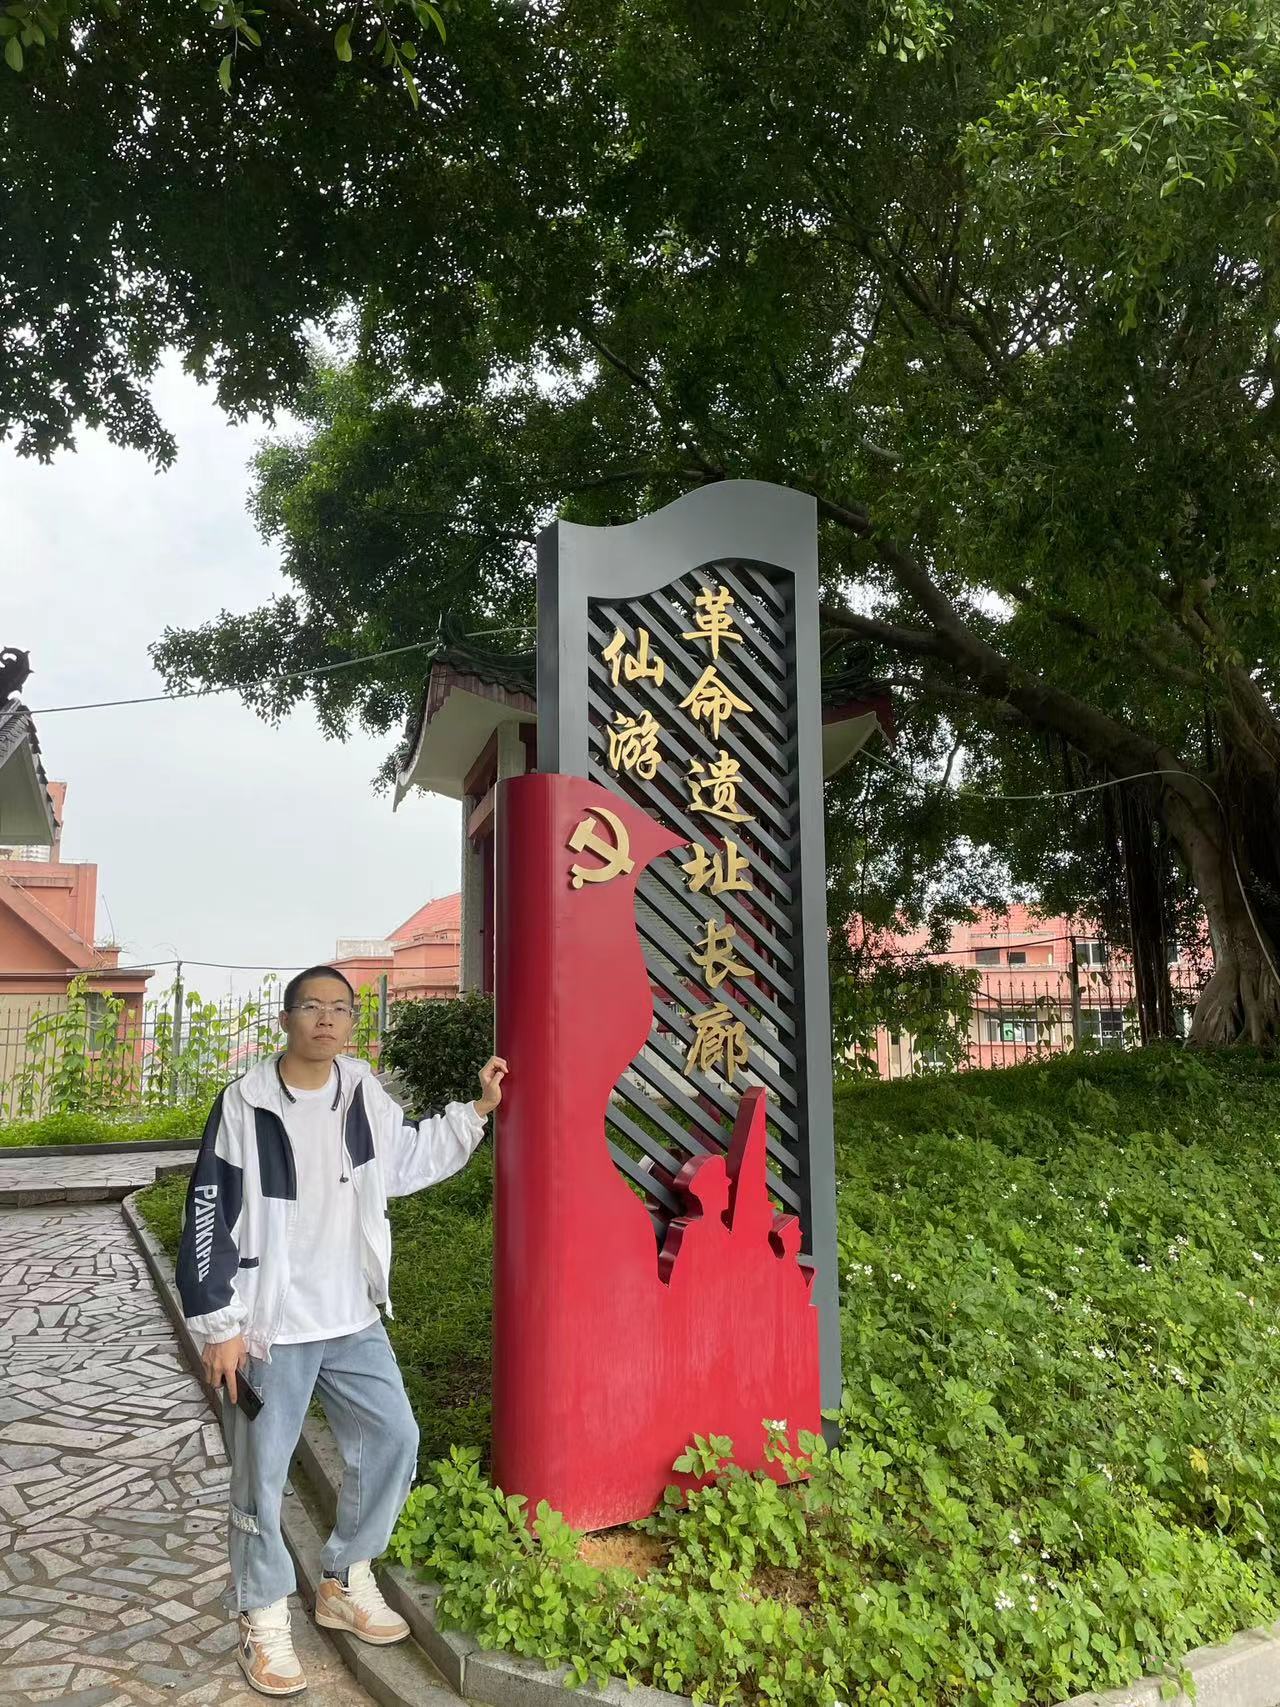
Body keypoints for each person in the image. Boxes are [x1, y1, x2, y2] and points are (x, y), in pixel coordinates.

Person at [175, 965, 507, 1697]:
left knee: (394, 1437)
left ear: (353, 1023)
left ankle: (344, 1577)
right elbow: (207, 1213)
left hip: (351, 1315)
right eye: (311, 1006)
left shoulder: (359, 1091)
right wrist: (219, 1323)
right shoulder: (246, 1102)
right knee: (261, 1477)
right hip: (270, 1326)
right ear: (286, 1019)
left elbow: (403, 1160)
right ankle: (262, 1614)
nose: (326, 1019)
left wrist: (476, 1111)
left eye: (340, 1008)